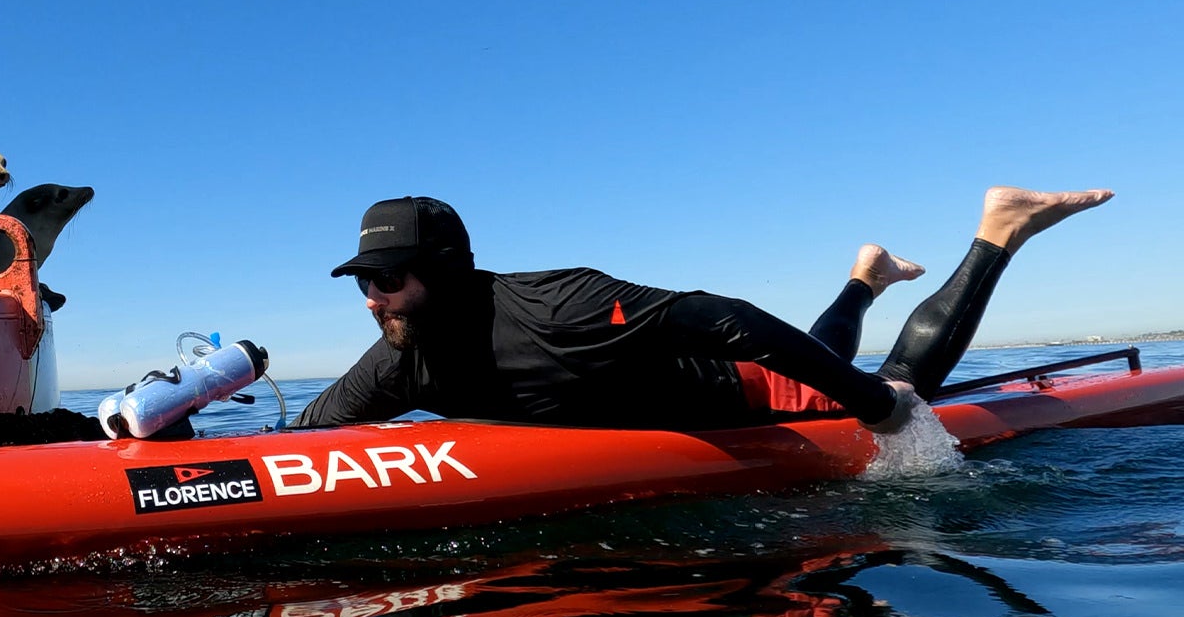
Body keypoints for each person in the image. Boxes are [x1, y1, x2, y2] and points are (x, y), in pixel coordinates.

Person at [295, 187, 1113, 432]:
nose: (374, 297)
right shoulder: (400, 356)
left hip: (746, 396)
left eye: (389, 278)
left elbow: (732, 321)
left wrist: (873, 408)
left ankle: (999, 231)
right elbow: (303, 440)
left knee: (905, 386)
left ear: (444, 267)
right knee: (830, 350)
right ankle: (865, 279)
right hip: (711, 396)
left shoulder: (556, 302)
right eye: (362, 282)